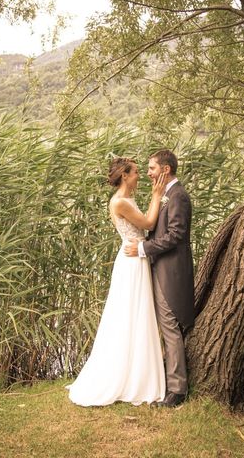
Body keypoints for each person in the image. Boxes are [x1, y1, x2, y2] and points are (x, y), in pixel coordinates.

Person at [67, 157, 168, 406]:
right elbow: (148, 223)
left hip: (135, 256)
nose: (140, 176)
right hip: (132, 261)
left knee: (136, 314)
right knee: (131, 314)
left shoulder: (126, 200)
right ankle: (129, 377)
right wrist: (157, 195)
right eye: (135, 172)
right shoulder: (120, 202)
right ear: (124, 175)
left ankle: (137, 372)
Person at [125, 150, 195, 408]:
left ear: (165, 169)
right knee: (162, 326)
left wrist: (143, 248)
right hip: (159, 267)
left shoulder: (178, 196)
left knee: (170, 327)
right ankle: (164, 381)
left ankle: (177, 390)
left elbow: (176, 235)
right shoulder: (167, 195)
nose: (148, 173)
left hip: (170, 271)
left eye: (152, 168)